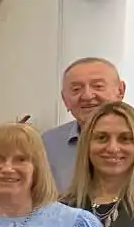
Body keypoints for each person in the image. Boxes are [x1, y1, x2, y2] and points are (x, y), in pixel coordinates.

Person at [43, 58, 126, 193]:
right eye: (76, 89)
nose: (87, 96)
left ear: (120, 91)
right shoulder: (47, 144)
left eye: (98, 86)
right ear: (65, 99)